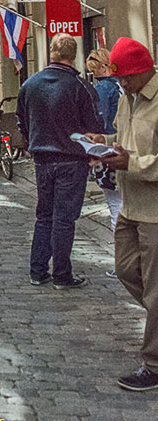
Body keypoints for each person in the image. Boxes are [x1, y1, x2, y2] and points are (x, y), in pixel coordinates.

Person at [86, 37, 158, 392]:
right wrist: (104, 140)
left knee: (157, 289)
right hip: (129, 204)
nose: (121, 84)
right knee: (127, 269)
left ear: (144, 70)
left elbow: (143, 156)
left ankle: (155, 363)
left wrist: (134, 162)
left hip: (155, 211)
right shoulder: (126, 98)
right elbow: (124, 139)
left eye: (126, 77)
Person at [16, 33, 103, 290]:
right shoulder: (80, 88)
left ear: (51, 52)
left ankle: (38, 270)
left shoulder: (30, 85)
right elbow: (94, 127)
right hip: (71, 161)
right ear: (72, 56)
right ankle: (62, 275)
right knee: (64, 219)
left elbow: (22, 120)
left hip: (42, 159)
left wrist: (33, 141)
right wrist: (93, 153)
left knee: (44, 216)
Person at [86, 48, 123, 275]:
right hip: (124, 144)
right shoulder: (121, 85)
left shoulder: (102, 88)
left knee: (115, 204)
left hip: (108, 148)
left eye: (94, 69)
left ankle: (121, 261)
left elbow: (101, 120)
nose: (94, 73)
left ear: (101, 67)